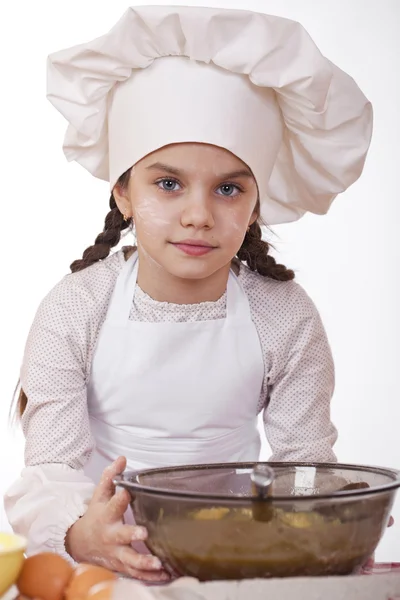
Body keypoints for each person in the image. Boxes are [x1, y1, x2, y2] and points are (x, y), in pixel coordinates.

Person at [4, 4, 373, 582]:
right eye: (168, 184)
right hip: (101, 558)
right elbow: (50, 467)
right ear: (123, 191)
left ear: (257, 202)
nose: (198, 215)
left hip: (233, 558)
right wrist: (83, 533)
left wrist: (328, 523)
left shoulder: (284, 314)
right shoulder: (76, 306)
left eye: (228, 188)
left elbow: (306, 466)